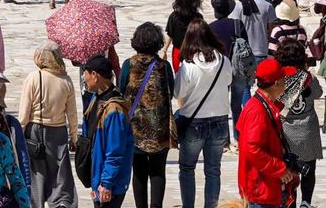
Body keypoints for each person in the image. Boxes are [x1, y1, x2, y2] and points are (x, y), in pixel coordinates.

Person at [172, 20, 232, 208]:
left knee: (187, 168)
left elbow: (178, 93)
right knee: (213, 170)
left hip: (194, 123)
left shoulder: (188, 65)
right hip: (220, 121)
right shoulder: (223, 60)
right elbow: (229, 80)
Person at [117, 23, 174, 208]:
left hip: (135, 128)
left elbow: (121, 90)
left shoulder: (128, 65)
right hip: (160, 127)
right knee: (158, 172)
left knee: (139, 172)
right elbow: (170, 92)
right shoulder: (164, 66)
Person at [20, 47, 80, 208]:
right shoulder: (66, 80)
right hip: (58, 132)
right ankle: (62, 203)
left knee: (36, 174)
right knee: (60, 174)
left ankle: (35, 204)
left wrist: (19, 134)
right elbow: (72, 114)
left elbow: (24, 114)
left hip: (35, 131)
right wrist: (73, 137)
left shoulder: (33, 77)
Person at [237, 58, 297, 208]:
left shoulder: (264, 105)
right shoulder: (257, 111)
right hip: (261, 191)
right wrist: (279, 169)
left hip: (267, 188)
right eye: (284, 78)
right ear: (276, 83)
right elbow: (252, 148)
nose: (286, 81)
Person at [273, 34, 324, 208]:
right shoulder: (308, 78)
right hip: (308, 130)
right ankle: (306, 202)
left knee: (290, 172)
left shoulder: (278, 80)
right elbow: (318, 93)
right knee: (309, 170)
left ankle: (291, 202)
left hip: (286, 131)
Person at [78, 55, 133, 208]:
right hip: (98, 177)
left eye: (86, 73)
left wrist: (106, 184)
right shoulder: (96, 98)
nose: (84, 78)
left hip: (110, 183)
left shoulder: (114, 109)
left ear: (95, 75)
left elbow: (115, 151)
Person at [163, 0, 204, 64]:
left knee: (178, 74)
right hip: (194, 53)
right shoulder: (198, 17)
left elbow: (170, 34)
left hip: (178, 52)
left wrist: (165, 50)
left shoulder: (174, 16)